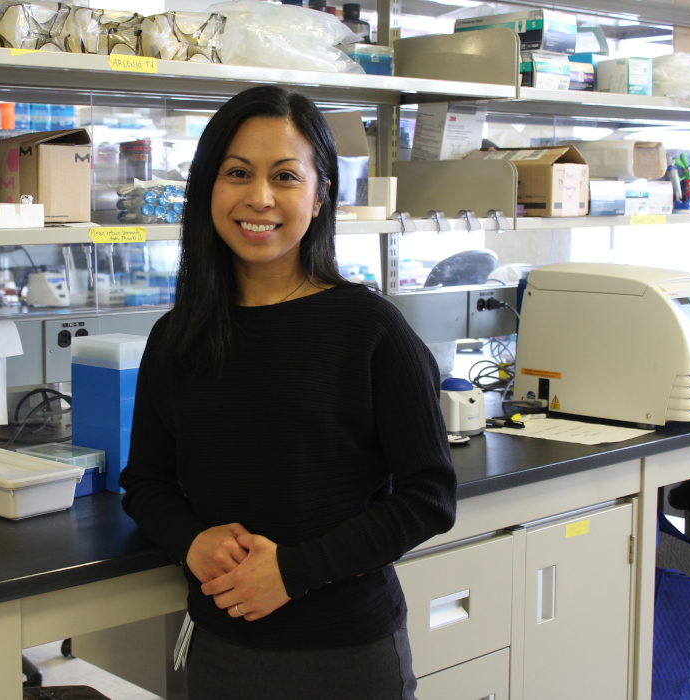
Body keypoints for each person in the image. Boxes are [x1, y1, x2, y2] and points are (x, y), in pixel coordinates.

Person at [119, 85, 457, 700]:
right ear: (208, 188)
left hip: (347, 658)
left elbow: (430, 495)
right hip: (223, 653)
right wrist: (192, 540)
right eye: (238, 173)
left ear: (320, 194)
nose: (260, 198)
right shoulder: (179, 336)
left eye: (285, 176)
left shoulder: (371, 329)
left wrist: (294, 573)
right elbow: (146, 483)